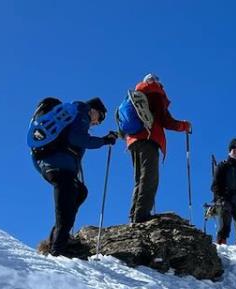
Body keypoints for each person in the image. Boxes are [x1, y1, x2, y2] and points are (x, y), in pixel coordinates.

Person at [32, 97, 117, 256]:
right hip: (59, 165)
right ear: (94, 109)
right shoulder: (81, 111)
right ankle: (58, 249)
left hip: (53, 164)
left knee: (80, 192)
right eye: (100, 118)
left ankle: (57, 239)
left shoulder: (73, 116)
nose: (97, 123)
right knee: (67, 202)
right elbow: (77, 138)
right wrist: (104, 140)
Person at [126, 73, 191, 223]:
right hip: (149, 139)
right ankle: (141, 215)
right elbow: (165, 120)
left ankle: (134, 214)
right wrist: (184, 126)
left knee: (139, 179)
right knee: (150, 178)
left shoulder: (136, 94)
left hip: (133, 140)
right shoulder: (155, 92)